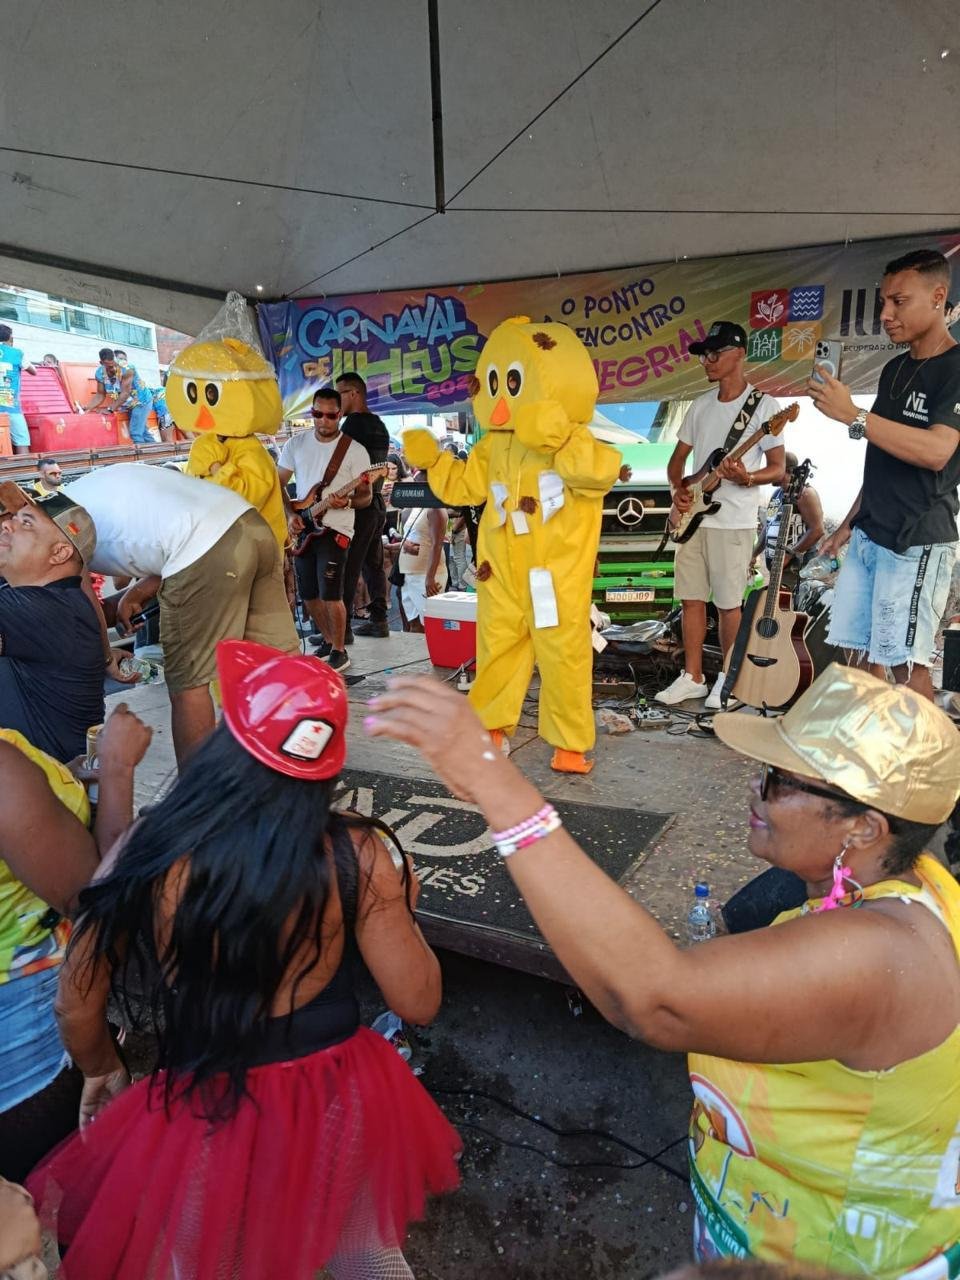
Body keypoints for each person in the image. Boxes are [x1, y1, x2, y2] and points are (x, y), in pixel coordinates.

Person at [365, 664, 960, 1278]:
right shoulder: (906, 888)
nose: (755, 789)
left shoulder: (883, 952)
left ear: (865, 826)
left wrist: (498, 785)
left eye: (781, 781)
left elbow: (654, 1000)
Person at [28, 641, 460, 1280]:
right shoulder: (360, 853)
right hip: (336, 1099)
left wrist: (100, 1066)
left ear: (228, 743)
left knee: (213, 1259)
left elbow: (78, 992)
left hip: (209, 1107)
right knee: (361, 1248)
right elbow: (417, 1001)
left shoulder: (157, 844)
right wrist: (402, 905)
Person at [0, 704, 150, 1184]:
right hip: (33, 1055)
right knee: (92, 1208)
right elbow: (98, 904)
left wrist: (57, 782)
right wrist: (118, 768)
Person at [63, 463, 298, 766]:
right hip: (246, 521)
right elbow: (172, 532)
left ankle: (197, 807)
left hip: (201, 544)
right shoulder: (79, 493)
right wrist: (136, 593)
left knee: (190, 684)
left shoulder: (50, 527)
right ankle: (291, 770)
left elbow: (79, 603)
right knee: (275, 664)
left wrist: (106, 657)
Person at [810, 248, 960, 700]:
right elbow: (883, 458)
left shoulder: (955, 367)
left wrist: (853, 416)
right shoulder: (895, 368)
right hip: (873, 534)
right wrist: (849, 525)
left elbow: (937, 451)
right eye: (882, 303)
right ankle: (876, 755)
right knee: (865, 653)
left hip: (916, 539)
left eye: (899, 301)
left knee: (906, 663)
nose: (886, 314)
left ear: (938, 297)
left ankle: (920, 765)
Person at [657, 321, 786, 711]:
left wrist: (748, 477)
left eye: (714, 354)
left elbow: (779, 469)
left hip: (733, 521)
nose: (706, 362)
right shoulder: (699, 405)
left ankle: (727, 681)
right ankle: (693, 677)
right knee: (691, 599)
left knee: (729, 603)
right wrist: (680, 491)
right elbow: (677, 461)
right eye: (703, 355)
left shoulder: (765, 407)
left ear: (738, 354)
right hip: (695, 518)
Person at [0, 484, 118, 763]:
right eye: (12, 518)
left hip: (45, 795)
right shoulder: (38, 597)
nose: (7, 526)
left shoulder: (50, 611)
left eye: (26, 524)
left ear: (59, 554)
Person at [279, 388, 372, 674]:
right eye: (318, 414)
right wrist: (290, 513)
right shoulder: (295, 445)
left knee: (331, 592)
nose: (323, 421)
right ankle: (329, 640)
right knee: (309, 594)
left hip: (336, 528)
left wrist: (347, 502)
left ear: (339, 415)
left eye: (330, 416)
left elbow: (366, 497)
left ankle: (339, 649)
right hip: (306, 526)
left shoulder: (355, 451)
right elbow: (277, 482)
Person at [337, 373, 391, 640]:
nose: (337, 401)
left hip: (359, 504)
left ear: (354, 393)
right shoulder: (380, 425)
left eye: (341, 394)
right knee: (373, 564)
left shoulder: (352, 427)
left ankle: (341, 629)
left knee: (348, 566)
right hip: (378, 502)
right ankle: (379, 619)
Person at [751, 452, 824, 592]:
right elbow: (768, 526)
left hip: (796, 570)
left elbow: (817, 530)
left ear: (786, 469)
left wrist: (789, 555)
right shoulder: (777, 494)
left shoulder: (805, 494)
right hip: (778, 568)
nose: (769, 472)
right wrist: (754, 554)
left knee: (787, 611)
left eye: (773, 468)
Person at [83, 348, 155, 445]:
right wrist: (87, 408)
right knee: (143, 433)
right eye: (109, 367)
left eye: (114, 365)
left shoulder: (127, 369)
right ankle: (159, 454)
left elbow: (125, 393)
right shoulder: (99, 373)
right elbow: (100, 394)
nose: (113, 369)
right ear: (101, 363)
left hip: (141, 401)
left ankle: (143, 458)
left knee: (136, 433)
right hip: (128, 404)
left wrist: (110, 409)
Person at [397, 503, 448, 630]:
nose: (415, 481)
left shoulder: (435, 509)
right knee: (414, 623)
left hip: (425, 576)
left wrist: (430, 578)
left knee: (430, 625)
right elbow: (413, 537)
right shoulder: (415, 507)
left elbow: (437, 545)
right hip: (409, 574)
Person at [0, 326, 37, 456]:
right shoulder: (16, 353)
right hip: (9, 402)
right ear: (10, 337)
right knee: (22, 440)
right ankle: (25, 474)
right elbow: (34, 371)